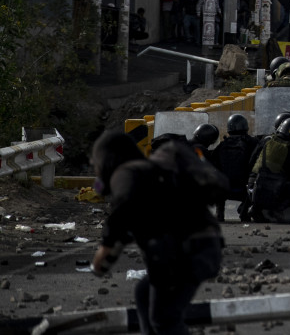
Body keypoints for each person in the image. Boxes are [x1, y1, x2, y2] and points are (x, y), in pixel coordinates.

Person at [90, 131, 225, 335]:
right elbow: (133, 227)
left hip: (184, 252)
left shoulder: (126, 172)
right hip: (204, 246)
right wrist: (112, 253)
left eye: (96, 163)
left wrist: (105, 246)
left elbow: (124, 206)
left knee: (165, 320)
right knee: (144, 293)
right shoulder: (151, 173)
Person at [247, 117, 290, 223]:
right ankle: (277, 209)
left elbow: (251, 162)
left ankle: (255, 208)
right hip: (273, 190)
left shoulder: (266, 141)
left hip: (252, 186)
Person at [210, 113, 260, 222]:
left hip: (225, 189)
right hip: (244, 189)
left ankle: (220, 213)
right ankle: (244, 211)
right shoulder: (253, 142)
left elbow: (213, 164)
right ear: (246, 127)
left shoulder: (222, 145)